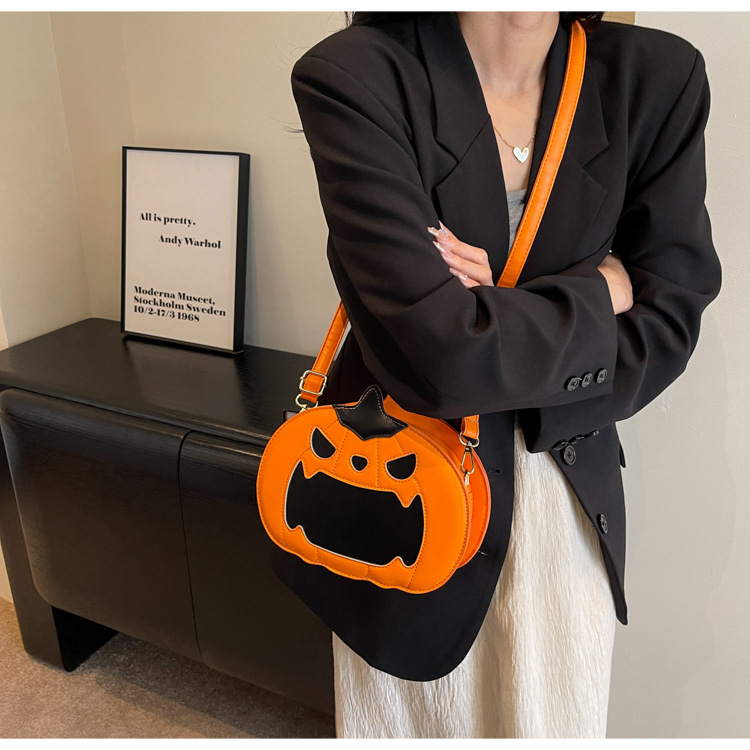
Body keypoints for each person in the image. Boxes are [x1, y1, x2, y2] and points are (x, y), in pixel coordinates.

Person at [274, 11, 721, 738]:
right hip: (404, 483)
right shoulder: (355, 76)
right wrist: (601, 288)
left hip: (562, 491)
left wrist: (492, 315)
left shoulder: (655, 79)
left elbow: (669, 322)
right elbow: (441, 356)